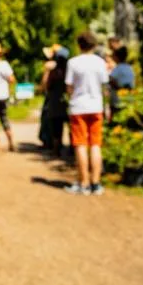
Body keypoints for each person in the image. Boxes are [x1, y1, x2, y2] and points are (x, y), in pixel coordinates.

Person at [64, 31, 108, 196]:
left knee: (81, 145)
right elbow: (105, 86)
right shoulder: (100, 62)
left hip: (78, 107)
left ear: (79, 45)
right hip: (96, 106)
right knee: (95, 145)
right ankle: (96, 183)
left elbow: (69, 86)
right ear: (94, 45)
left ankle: (84, 183)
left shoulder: (73, 63)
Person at [43, 46, 70, 157]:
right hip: (68, 103)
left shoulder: (54, 72)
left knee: (56, 128)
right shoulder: (69, 72)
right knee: (71, 128)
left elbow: (47, 86)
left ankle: (56, 150)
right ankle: (72, 150)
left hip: (55, 103)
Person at [108, 46, 135, 122]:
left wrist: (117, 87)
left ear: (117, 57)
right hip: (129, 97)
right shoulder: (129, 67)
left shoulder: (118, 68)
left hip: (118, 97)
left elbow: (111, 79)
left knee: (115, 115)